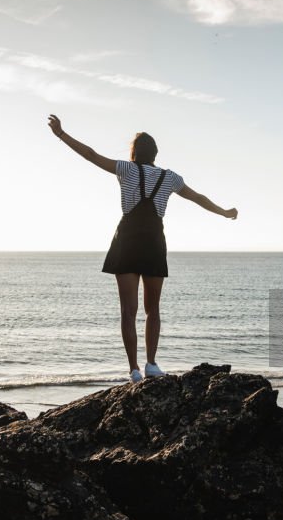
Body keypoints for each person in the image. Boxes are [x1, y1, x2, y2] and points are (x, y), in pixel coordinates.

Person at [48, 114, 238, 383]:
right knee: (153, 309)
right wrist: (224, 212)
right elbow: (198, 198)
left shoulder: (126, 169)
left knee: (128, 311)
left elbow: (91, 154)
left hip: (126, 241)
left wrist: (61, 134)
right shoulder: (170, 178)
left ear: (134, 152)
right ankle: (151, 364)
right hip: (153, 243)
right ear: (156, 154)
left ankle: (134, 370)